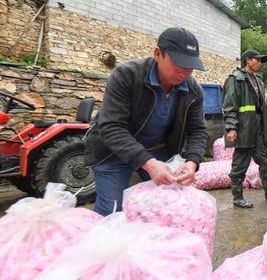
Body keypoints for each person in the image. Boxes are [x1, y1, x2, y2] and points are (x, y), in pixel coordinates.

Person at [86, 27, 208, 216]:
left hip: (156, 150)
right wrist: (148, 163)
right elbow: (111, 127)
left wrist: (192, 162)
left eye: (190, 66)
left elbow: (198, 130)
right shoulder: (126, 75)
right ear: (158, 53)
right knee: (113, 210)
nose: (185, 72)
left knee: (168, 206)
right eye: (179, 64)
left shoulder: (193, 90)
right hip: (113, 152)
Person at [223, 49, 267, 208]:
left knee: (266, 159)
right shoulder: (235, 79)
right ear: (247, 60)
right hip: (244, 129)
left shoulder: (258, 80)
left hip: (258, 128)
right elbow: (229, 106)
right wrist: (231, 128)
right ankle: (237, 198)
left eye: (260, 61)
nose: (259, 63)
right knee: (240, 164)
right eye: (257, 60)